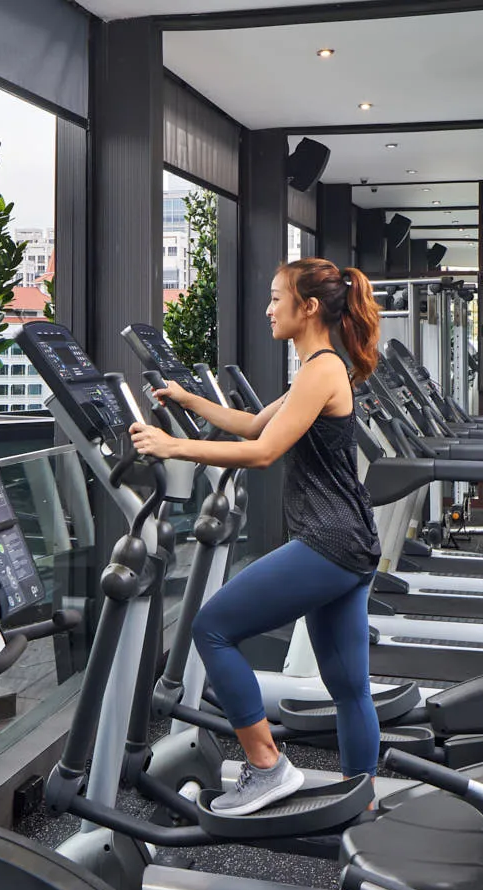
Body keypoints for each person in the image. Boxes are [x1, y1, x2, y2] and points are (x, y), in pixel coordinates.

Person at [128, 259, 383, 816]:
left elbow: (262, 453)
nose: (268, 310)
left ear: (308, 307)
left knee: (212, 628)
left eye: (275, 299)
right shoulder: (319, 369)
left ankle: (266, 767)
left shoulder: (320, 371)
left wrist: (173, 448)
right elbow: (251, 425)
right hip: (350, 541)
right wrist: (186, 399)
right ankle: (362, 806)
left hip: (328, 540)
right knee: (349, 686)